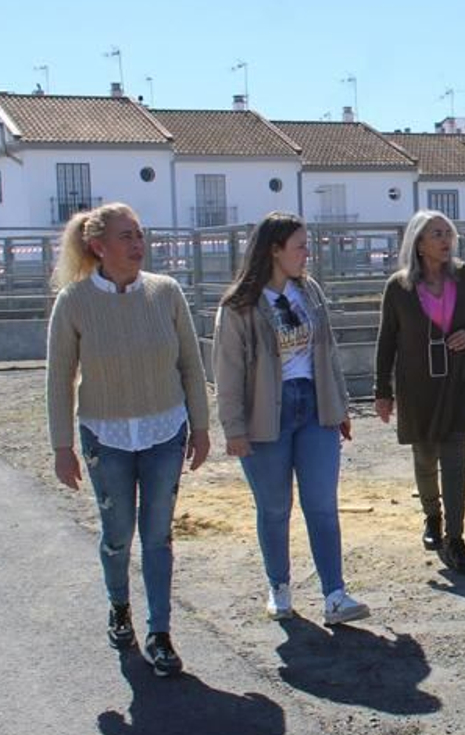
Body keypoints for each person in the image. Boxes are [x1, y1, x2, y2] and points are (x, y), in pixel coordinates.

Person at [47, 203, 211, 678]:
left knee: (158, 536)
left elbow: (189, 366)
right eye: (126, 237)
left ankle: (160, 632)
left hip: (165, 431)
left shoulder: (166, 293)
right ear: (98, 246)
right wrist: (62, 446)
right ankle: (119, 608)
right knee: (118, 534)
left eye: (140, 235)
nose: (137, 244)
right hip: (106, 435)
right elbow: (60, 378)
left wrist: (200, 427)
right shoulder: (74, 302)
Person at [213, 213, 371, 626]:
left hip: (315, 406)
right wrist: (234, 429)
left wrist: (340, 407)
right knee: (274, 507)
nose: (307, 254)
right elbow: (227, 372)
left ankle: (334, 593)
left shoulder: (310, 291)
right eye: (299, 246)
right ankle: (279, 586)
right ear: (274, 250)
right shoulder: (240, 306)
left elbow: (328, 351)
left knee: (321, 504)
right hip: (268, 411)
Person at [374, 210, 465, 573]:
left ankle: (456, 538)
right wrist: (382, 390)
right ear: (419, 244)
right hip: (418, 384)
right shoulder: (399, 286)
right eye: (436, 234)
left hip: (458, 381)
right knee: (425, 455)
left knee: (454, 458)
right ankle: (432, 517)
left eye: (448, 233)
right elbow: (386, 340)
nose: (445, 240)